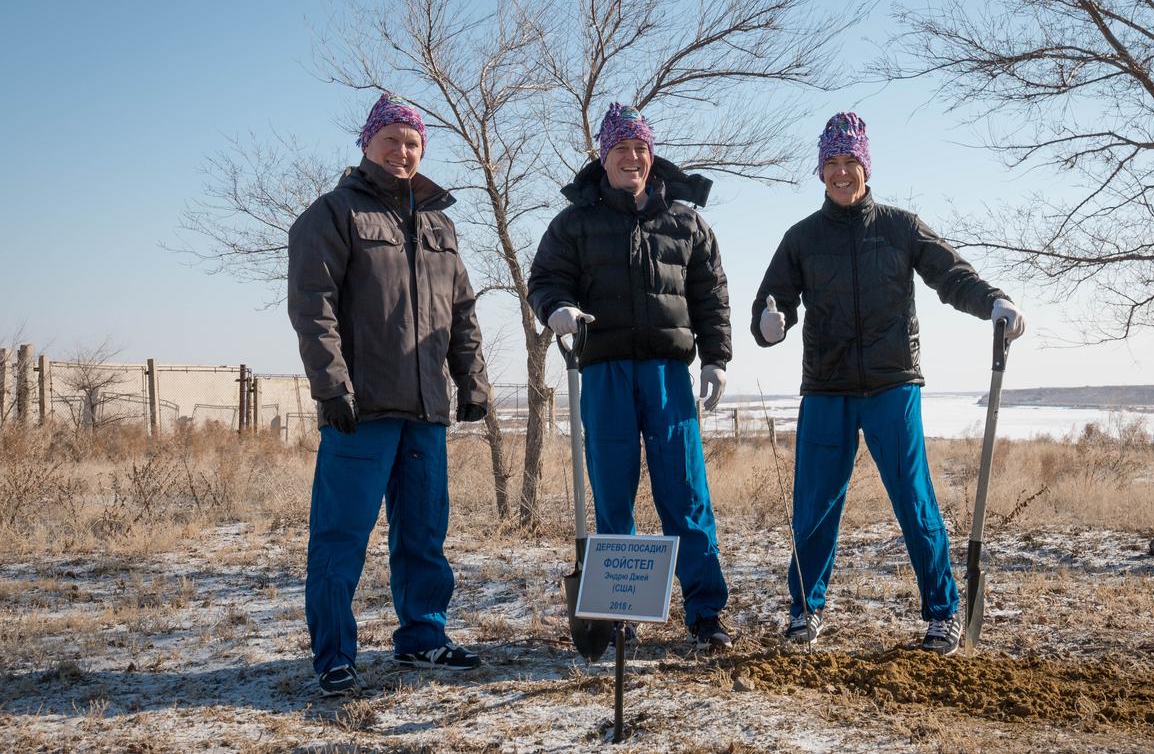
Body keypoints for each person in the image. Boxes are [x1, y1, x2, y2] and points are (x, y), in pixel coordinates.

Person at [752, 111, 1025, 656]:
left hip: (891, 384)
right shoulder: (801, 238)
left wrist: (993, 298)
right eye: (832, 162)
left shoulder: (900, 227)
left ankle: (942, 613)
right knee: (815, 505)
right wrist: (770, 320)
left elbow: (951, 275)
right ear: (820, 170)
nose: (841, 172)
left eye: (850, 161)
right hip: (827, 389)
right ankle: (805, 611)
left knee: (913, 498)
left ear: (866, 166)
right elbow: (772, 299)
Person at [288, 92, 492, 696]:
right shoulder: (333, 214)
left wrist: (472, 380)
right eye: (391, 140)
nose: (403, 151)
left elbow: (461, 311)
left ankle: (423, 637)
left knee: (425, 533)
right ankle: (333, 655)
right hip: (362, 409)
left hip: (426, 410)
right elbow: (312, 308)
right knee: (341, 534)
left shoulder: (440, 224)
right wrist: (331, 387)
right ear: (367, 144)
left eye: (412, 142)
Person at [527, 103, 735, 651]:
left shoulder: (686, 222)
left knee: (685, 493)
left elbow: (711, 294)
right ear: (604, 155)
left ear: (651, 154)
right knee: (613, 493)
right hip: (605, 372)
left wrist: (716, 358)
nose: (633, 158)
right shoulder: (574, 222)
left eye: (640, 148)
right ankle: (619, 612)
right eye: (621, 149)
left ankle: (706, 613)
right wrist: (557, 309)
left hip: (668, 374)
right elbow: (545, 278)